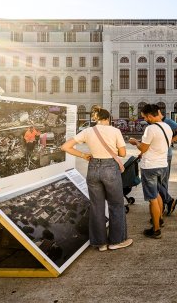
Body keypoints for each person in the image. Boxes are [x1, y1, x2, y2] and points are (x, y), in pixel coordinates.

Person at [61, 107, 132, 252]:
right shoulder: (115, 131)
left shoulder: (88, 131)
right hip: (110, 169)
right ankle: (116, 241)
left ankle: (101, 244)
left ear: (96, 118)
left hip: (93, 168)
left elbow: (65, 146)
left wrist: (83, 155)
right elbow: (123, 153)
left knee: (96, 206)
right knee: (116, 205)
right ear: (108, 118)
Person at [128, 104, 173, 239]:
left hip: (150, 167)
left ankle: (156, 229)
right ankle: (159, 219)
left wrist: (136, 142)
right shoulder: (167, 127)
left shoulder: (150, 129)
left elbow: (143, 149)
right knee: (158, 193)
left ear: (149, 116)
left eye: (144, 117)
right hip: (162, 165)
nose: (144, 119)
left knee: (152, 199)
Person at [158, 107, 177, 215]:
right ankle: (165, 203)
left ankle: (166, 203)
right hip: (158, 155)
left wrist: (171, 141)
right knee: (160, 181)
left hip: (165, 155)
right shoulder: (156, 123)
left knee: (162, 182)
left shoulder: (167, 121)